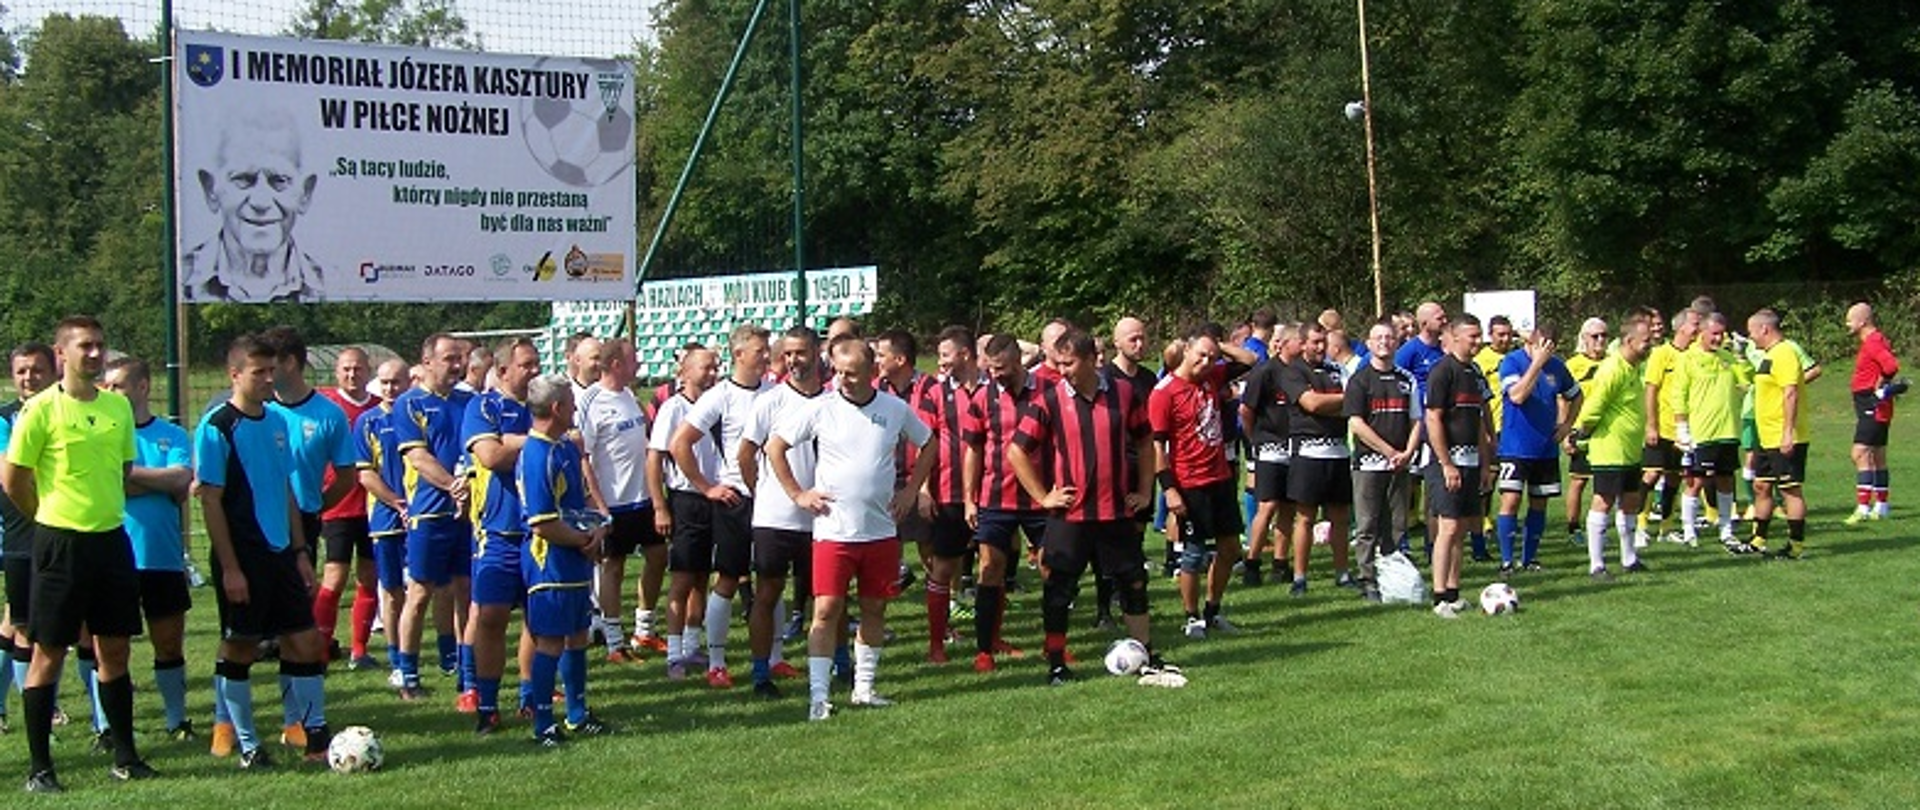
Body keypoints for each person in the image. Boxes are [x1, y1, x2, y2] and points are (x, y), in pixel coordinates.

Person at [3, 316, 156, 791]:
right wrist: (46, 516)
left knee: (115, 648)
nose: (94, 354)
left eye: (100, 346)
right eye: (85, 346)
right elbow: (13, 479)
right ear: (61, 353)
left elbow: (124, 468)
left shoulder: (117, 408)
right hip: (58, 543)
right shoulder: (41, 410)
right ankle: (40, 769)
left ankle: (126, 756)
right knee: (48, 651)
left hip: (110, 541)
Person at [768, 337, 938, 721]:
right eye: (839, 372)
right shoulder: (821, 408)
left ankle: (864, 688)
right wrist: (798, 493)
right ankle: (818, 696)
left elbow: (929, 444)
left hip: (879, 531)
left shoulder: (894, 409)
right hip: (833, 531)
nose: (842, 380)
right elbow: (774, 447)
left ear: (872, 373)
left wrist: (911, 490)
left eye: (851, 373)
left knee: (874, 608)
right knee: (826, 610)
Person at [1006, 329, 1180, 686]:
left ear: (1090, 360)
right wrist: (1043, 497)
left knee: (1133, 583)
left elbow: (1147, 442)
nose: (1063, 370)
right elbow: (1016, 450)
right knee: (1058, 588)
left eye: (1069, 363)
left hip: (1115, 512)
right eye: (1058, 363)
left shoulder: (1125, 394)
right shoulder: (1049, 400)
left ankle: (1145, 653)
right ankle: (1056, 662)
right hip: (1070, 515)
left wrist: (1145, 491)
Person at [197, 334, 333, 770]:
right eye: (259, 372)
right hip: (243, 555)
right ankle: (248, 744)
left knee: (305, 640)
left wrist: (298, 551)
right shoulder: (217, 426)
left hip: (280, 553)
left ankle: (315, 736)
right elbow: (211, 499)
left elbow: (287, 490)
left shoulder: (277, 421)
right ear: (235, 374)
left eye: (272, 370)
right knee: (242, 646)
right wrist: (231, 567)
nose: (269, 379)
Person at [98, 358, 195, 742]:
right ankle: (106, 726)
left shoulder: (170, 435)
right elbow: (105, 481)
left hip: (160, 555)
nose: (110, 393)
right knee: (109, 648)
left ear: (142, 387)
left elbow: (182, 478)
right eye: (106, 386)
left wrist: (126, 476)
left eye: (119, 385)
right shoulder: (103, 435)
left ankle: (177, 720)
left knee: (168, 643)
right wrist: (158, 482)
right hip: (112, 554)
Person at [669, 324, 770, 689]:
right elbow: (680, 442)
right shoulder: (720, 395)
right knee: (728, 578)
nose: (767, 355)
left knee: (771, 581)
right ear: (739, 354)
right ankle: (716, 662)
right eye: (760, 349)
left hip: (771, 501)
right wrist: (707, 487)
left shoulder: (775, 392)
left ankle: (773, 659)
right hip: (735, 499)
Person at [518, 374, 614, 745]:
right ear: (556, 408)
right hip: (550, 563)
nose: (576, 407)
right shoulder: (537, 454)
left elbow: (579, 502)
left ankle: (576, 714)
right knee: (551, 642)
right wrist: (581, 540)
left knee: (577, 636)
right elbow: (541, 523)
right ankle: (543, 723)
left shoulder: (564, 448)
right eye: (572, 402)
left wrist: (598, 527)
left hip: (574, 556)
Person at [737, 327, 826, 696]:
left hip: (822, 515)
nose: (793, 361)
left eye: (800, 353)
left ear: (817, 353)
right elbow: (745, 453)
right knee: (768, 592)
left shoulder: (833, 401)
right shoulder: (769, 401)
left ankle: (838, 664)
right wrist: (763, 493)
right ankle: (761, 673)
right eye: (787, 354)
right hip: (775, 518)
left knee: (826, 595)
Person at [458, 338, 538, 732]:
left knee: (539, 618)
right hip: (498, 531)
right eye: (527, 364)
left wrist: (515, 444)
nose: (535, 371)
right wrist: (539, 442)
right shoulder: (483, 406)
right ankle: (487, 705)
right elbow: (490, 456)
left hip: (541, 528)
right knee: (491, 617)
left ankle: (531, 696)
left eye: (537, 363)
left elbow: (573, 449)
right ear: (504, 371)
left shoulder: (544, 405)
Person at [390, 334, 473, 700]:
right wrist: (453, 485)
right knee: (420, 592)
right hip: (430, 512)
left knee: (465, 592)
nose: (457, 365)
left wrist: (468, 486)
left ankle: (467, 675)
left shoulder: (469, 402)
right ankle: (407, 673)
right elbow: (417, 457)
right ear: (427, 361)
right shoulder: (410, 404)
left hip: (468, 512)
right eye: (449, 358)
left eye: (460, 358)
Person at [1151, 330, 1247, 637]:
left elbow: (1251, 359)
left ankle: (1212, 610)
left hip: (1220, 477)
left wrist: (1219, 347)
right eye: (1200, 355)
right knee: (1192, 554)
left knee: (1230, 548)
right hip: (1190, 482)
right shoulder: (1165, 392)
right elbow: (1157, 448)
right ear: (1186, 350)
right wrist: (1169, 489)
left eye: (1212, 357)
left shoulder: (1212, 378)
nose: (1206, 362)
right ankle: (1191, 617)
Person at [962, 334, 1048, 671]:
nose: (995, 374)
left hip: (1040, 497)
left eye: (1001, 368)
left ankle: (1054, 643)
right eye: (990, 368)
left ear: (1017, 362)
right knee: (989, 568)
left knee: (1050, 568)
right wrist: (970, 500)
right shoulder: (983, 398)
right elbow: (973, 450)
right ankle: (986, 648)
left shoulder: (1046, 392)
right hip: (995, 497)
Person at [577, 339, 665, 660]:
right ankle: (614, 640)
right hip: (613, 502)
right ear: (616, 364)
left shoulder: (629, 396)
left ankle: (644, 629)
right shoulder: (591, 401)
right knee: (613, 567)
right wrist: (598, 504)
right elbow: (582, 456)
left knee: (658, 556)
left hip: (642, 498)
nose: (638, 366)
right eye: (633, 361)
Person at [182, 108, 326, 303]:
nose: (260, 202)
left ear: (305, 194)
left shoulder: (333, 283)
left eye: (279, 180)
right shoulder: (182, 279)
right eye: (243, 179)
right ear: (210, 190)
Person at [647, 347, 721, 680]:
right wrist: (660, 505)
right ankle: (674, 652)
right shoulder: (674, 409)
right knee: (682, 578)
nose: (712, 373)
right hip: (686, 499)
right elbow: (654, 459)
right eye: (706, 368)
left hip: (714, 498)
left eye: (715, 367)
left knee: (703, 576)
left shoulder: (715, 404)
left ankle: (693, 644)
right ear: (686, 372)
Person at [915, 326, 986, 663]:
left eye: (945, 355)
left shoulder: (995, 388)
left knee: (993, 565)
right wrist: (925, 489)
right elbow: (923, 441)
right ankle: (936, 644)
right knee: (943, 568)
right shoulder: (936, 393)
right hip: (948, 493)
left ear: (965, 354)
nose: (940, 362)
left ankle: (991, 640)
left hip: (991, 492)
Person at [1567, 316, 1655, 580]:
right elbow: (1595, 404)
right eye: (1646, 341)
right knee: (1603, 501)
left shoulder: (1633, 368)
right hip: (1610, 448)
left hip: (1629, 449)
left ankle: (1629, 558)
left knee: (1630, 501)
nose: (1650, 345)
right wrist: (1578, 433)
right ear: (1629, 341)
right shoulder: (1612, 368)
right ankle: (1596, 564)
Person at [1493, 319, 1581, 574]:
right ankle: (1507, 561)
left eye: (1552, 346)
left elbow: (1576, 395)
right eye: (1544, 344)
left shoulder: (1557, 367)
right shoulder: (1512, 362)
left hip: (1545, 447)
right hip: (1516, 445)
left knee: (1539, 502)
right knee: (1510, 500)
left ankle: (1529, 558)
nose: (1548, 350)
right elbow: (1517, 396)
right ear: (1532, 339)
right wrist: (1537, 364)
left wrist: (1566, 426)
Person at [0, 341, 56, 735]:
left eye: (36, 369)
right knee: (21, 624)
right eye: (21, 370)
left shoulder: (63, 409)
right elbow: (11, 476)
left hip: (65, 530)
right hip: (21, 531)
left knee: (26, 623)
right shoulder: (6, 419)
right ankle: (35, 708)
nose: (28, 377)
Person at [1421, 315, 1493, 618]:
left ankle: (1454, 591)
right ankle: (1439, 597)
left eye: (1480, 336)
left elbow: (1477, 420)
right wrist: (1446, 463)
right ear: (1455, 337)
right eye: (1472, 336)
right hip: (1445, 462)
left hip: (1471, 461)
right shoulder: (1443, 371)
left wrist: (1486, 462)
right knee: (1447, 527)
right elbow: (1433, 417)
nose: (1478, 341)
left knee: (1461, 527)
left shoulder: (1474, 372)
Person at [1345, 320, 1421, 603]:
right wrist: (1389, 451)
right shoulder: (1360, 379)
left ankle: (1390, 573)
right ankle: (1367, 580)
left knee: (1397, 524)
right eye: (1378, 338)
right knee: (1367, 525)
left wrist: (1408, 452)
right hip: (1368, 464)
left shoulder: (1406, 379)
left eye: (1389, 338)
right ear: (1368, 343)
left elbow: (1417, 421)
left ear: (1397, 343)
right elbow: (1356, 422)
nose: (1384, 343)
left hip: (1401, 464)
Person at [318, 348, 381, 671]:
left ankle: (359, 649)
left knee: (369, 576)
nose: (352, 374)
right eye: (346, 369)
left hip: (371, 505)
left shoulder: (377, 408)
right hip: (338, 505)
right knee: (335, 575)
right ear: (336, 373)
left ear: (368, 372)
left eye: (358, 369)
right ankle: (321, 647)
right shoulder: (327, 405)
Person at [351, 359, 411, 685]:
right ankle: (397, 659)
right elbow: (365, 473)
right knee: (390, 589)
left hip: (423, 515)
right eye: (385, 383)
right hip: (387, 517)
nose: (390, 389)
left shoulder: (419, 416)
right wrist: (396, 502)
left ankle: (451, 656)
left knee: (430, 587)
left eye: (396, 382)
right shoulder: (367, 422)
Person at [1280, 323, 1353, 595]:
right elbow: (1310, 404)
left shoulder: (1338, 370)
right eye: (1314, 342)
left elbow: (1355, 403)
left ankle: (1343, 573)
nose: (1320, 347)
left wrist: (1331, 404)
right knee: (1305, 518)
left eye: (1323, 341)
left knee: (1340, 518)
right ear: (1302, 343)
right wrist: (1338, 402)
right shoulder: (1293, 372)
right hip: (1308, 453)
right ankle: (1300, 577)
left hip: (1338, 451)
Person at [1670, 312, 1750, 549]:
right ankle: (1688, 530)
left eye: (1721, 334)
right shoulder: (1688, 359)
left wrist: (1741, 356)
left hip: (1727, 431)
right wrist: (1682, 428)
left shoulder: (1727, 357)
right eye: (1714, 333)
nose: (1718, 338)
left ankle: (1726, 530)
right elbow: (1679, 395)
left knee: (1726, 480)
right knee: (1695, 482)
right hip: (1701, 433)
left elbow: (1745, 382)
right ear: (1702, 333)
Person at [1238, 324, 1302, 586]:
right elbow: (1246, 411)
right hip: (1269, 447)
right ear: (1285, 344)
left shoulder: (1301, 373)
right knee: (1268, 505)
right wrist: (1257, 440)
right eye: (1300, 340)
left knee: (1289, 507)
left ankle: (1280, 562)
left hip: (1296, 446)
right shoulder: (1264, 373)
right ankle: (1252, 561)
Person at [1746, 309, 1811, 558]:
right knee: (1761, 485)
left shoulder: (1784, 353)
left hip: (1784, 437)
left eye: (1752, 331)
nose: (1751, 337)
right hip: (1766, 436)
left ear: (1764, 329)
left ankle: (1796, 547)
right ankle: (1758, 540)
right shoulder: (1768, 355)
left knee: (1790, 489)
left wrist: (1787, 432)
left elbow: (1790, 393)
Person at [1638, 309, 1699, 546]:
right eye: (1695, 323)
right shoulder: (1661, 354)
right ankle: (1640, 526)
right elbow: (1651, 390)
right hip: (1662, 427)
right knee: (1652, 474)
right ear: (1681, 327)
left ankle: (1666, 528)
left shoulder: (1695, 354)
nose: (1698, 327)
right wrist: (1651, 425)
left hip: (1684, 430)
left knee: (1675, 478)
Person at [1845, 302, 1899, 523]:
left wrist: (1880, 387)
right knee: (1877, 455)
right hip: (1871, 404)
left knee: (1859, 454)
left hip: (1872, 404)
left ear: (1862, 321)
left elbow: (1891, 366)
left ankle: (1863, 507)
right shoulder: (1873, 340)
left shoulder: (1873, 342)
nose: (1847, 324)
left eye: (1850, 320)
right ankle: (1882, 506)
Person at [1561, 318, 1609, 543]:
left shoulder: (1613, 363)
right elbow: (1563, 400)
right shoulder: (1573, 365)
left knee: (1605, 482)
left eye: (1604, 336)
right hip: (1580, 431)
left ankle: (1598, 529)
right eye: (1595, 336)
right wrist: (1565, 431)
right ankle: (1574, 528)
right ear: (1584, 338)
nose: (1600, 340)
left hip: (1607, 433)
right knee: (1579, 481)